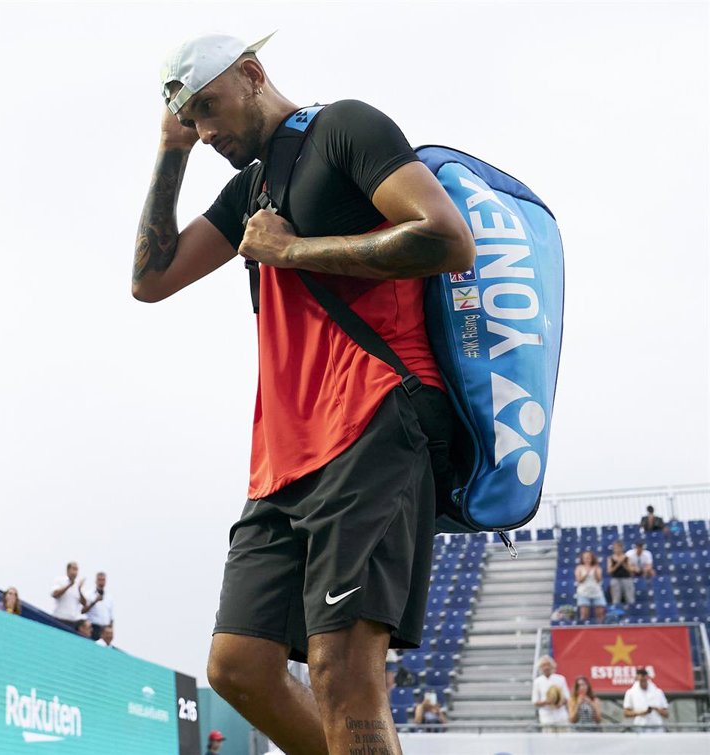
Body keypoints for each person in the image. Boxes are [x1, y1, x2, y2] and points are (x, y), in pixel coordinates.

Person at [137, 32, 476, 754]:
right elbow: (151, 279)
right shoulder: (249, 191)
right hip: (285, 455)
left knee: (341, 667)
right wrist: (171, 150)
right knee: (239, 666)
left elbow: (447, 239)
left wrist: (291, 251)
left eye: (209, 109)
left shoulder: (345, 128)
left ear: (252, 74)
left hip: (375, 418)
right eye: (192, 119)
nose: (206, 131)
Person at [622, 668, 668, 732]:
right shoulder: (631, 692)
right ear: (637, 677)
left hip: (657, 729)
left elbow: (666, 714)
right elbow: (626, 713)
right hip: (640, 729)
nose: (642, 679)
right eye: (640, 676)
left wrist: (656, 709)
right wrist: (642, 712)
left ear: (647, 677)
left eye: (644, 675)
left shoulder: (658, 692)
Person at [531, 656, 570, 733]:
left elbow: (567, 697)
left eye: (548, 665)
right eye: (543, 665)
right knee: (548, 737)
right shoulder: (537, 681)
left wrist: (559, 702)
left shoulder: (560, 679)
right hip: (546, 716)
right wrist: (548, 701)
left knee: (564, 736)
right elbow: (535, 701)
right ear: (540, 668)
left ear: (552, 666)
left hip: (561, 715)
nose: (546, 667)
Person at [51, 561, 88, 629]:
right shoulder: (60, 580)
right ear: (68, 570)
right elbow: (55, 594)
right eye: (73, 569)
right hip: (59, 619)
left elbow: (84, 603)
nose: (75, 572)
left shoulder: (78, 585)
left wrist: (80, 590)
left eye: (76, 569)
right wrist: (69, 584)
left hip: (72, 621)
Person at [574, 550, 606, 623]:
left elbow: (599, 580)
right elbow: (579, 580)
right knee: (584, 614)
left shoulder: (597, 567)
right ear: (582, 559)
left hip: (596, 592)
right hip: (583, 592)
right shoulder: (579, 567)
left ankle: (600, 627)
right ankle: (583, 627)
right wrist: (586, 573)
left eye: (588, 557)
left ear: (592, 558)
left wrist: (595, 572)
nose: (587, 559)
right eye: (585, 558)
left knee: (600, 613)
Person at [83, 571, 115, 641]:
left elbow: (111, 617)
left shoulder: (109, 597)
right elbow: (82, 611)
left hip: (105, 629)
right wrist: (95, 601)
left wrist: (111, 631)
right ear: (96, 581)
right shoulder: (89, 594)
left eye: (103, 580)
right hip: (93, 628)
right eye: (99, 580)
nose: (101, 582)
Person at [606, 540, 635, 605]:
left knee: (630, 598)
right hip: (616, 579)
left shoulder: (627, 558)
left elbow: (631, 570)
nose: (617, 550)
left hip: (626, 578)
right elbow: (609, 571)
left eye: (619, 548)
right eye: (615, 548)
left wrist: (623, 564)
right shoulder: (610, 558)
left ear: (622, 548)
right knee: (616, 599)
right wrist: (618, 563)